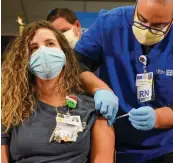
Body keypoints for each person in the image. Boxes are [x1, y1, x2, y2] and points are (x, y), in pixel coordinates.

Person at [74, 0, 173, 163]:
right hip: (115, 141)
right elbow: (75, 65)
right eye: (141, 20)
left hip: (168, 145)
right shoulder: (109, 24)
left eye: (157, 26)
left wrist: (158, 118)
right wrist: (100, 89)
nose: (146, 30)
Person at [1, 21, 115, 163]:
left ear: (64, 53)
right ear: (25, 60)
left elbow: (103, 158)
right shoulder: (11, 107)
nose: (43, 51)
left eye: (50, 44)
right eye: (34, 48)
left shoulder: (92, 109)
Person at [46, 8, 119, 126]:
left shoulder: (100, 54)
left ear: (77, 25)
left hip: (101, 118)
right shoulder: (52, 65)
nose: (62, 37)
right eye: (57, 34)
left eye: (65, 30)